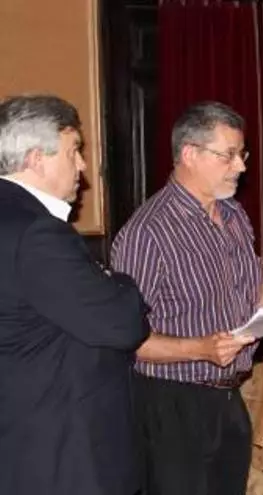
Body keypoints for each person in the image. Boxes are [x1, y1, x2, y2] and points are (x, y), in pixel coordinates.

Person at [111, 101, 263, 495]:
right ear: (189, 154)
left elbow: (252, 297)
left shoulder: (234, 216)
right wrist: (200, 349)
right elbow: (127, 339)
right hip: (170, 407)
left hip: (230, 398)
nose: (241, 166)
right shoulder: (148, 232)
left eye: (242, 154)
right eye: (228, 155)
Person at [0, 95, 149, 494]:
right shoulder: (37, 233)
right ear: (37, 159)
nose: (83, 165)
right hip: (60, 458)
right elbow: (122, 324)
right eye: (74, 151)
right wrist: (122, 282)